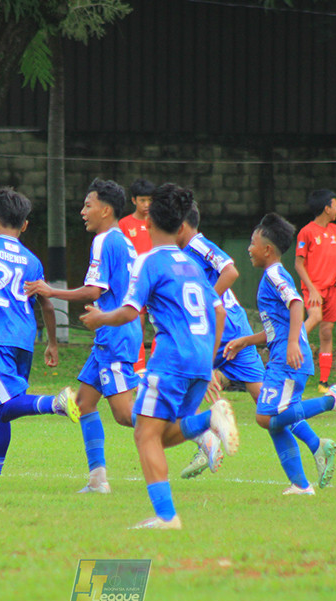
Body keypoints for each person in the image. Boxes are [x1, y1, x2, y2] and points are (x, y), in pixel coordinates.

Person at [81, 183, 239, 530]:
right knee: (163, 434)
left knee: (144, 434)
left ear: (149, 220)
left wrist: (98, 318)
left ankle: (167, 517)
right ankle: (205, 424)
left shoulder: (148, 261)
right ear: (182, 225)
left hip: (172, 360)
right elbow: (220, 312)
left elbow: (127, 311)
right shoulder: (193, 264)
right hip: (199, 360)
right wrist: (210, 363)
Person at [223, 213, 336, 495]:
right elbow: (276, 329)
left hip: (289, 360)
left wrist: (291, 345)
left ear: (268, 249)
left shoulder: (274, 274)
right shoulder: (270, 275)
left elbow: (296, 302)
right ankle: (300, 484)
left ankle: (332, 400)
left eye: (252, 243)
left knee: (266, 417)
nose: (249, 248)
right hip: (284, 357)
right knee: (275, 422)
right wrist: (245, 341)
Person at [0, 187, 81, 493]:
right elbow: (48, 304)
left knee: (7, 404)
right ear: (25, 226)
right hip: (25, 339)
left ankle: (56, 403)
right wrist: (52, 343)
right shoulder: (32, 260)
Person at [25, 179, 142, 494]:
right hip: (113, 332)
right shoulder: (124, 240)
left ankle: (199, 429)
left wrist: (52, 290)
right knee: (85, 403)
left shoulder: (105, 241)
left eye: (88, 205)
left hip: (114, 334)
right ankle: (97, 480)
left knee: (125, 414)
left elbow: (94, 290)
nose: (82, 212)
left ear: (106, 210)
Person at [175, 202, 279, 480]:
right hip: (228, 326)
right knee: (268, 404)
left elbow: (230, 272)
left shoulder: (197, 245)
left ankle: (207, 437)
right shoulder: (182, 253)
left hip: (225, 329)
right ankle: (206, 441)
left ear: (182, 225)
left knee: (178, 390)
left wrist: (204, 306)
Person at [295, 189, 336, 391]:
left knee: (327, 333)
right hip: (314, 288)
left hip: (332, 289)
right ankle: (290, 345)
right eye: (335, 205)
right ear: (327, 208)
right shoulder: (307, 232)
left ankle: (323, 382)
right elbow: (299, 264)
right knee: (314, 317)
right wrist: (312, 289)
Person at [118, 178, 155, 372]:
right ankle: (138, 367)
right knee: (136, 324)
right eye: (142, 200)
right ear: (133, 200)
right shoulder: (124, 224)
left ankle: (158, 366)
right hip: (135, 282)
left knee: (161, 323)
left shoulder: (157, 223)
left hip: (157, 281)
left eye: (150, 200)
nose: (147, 205)